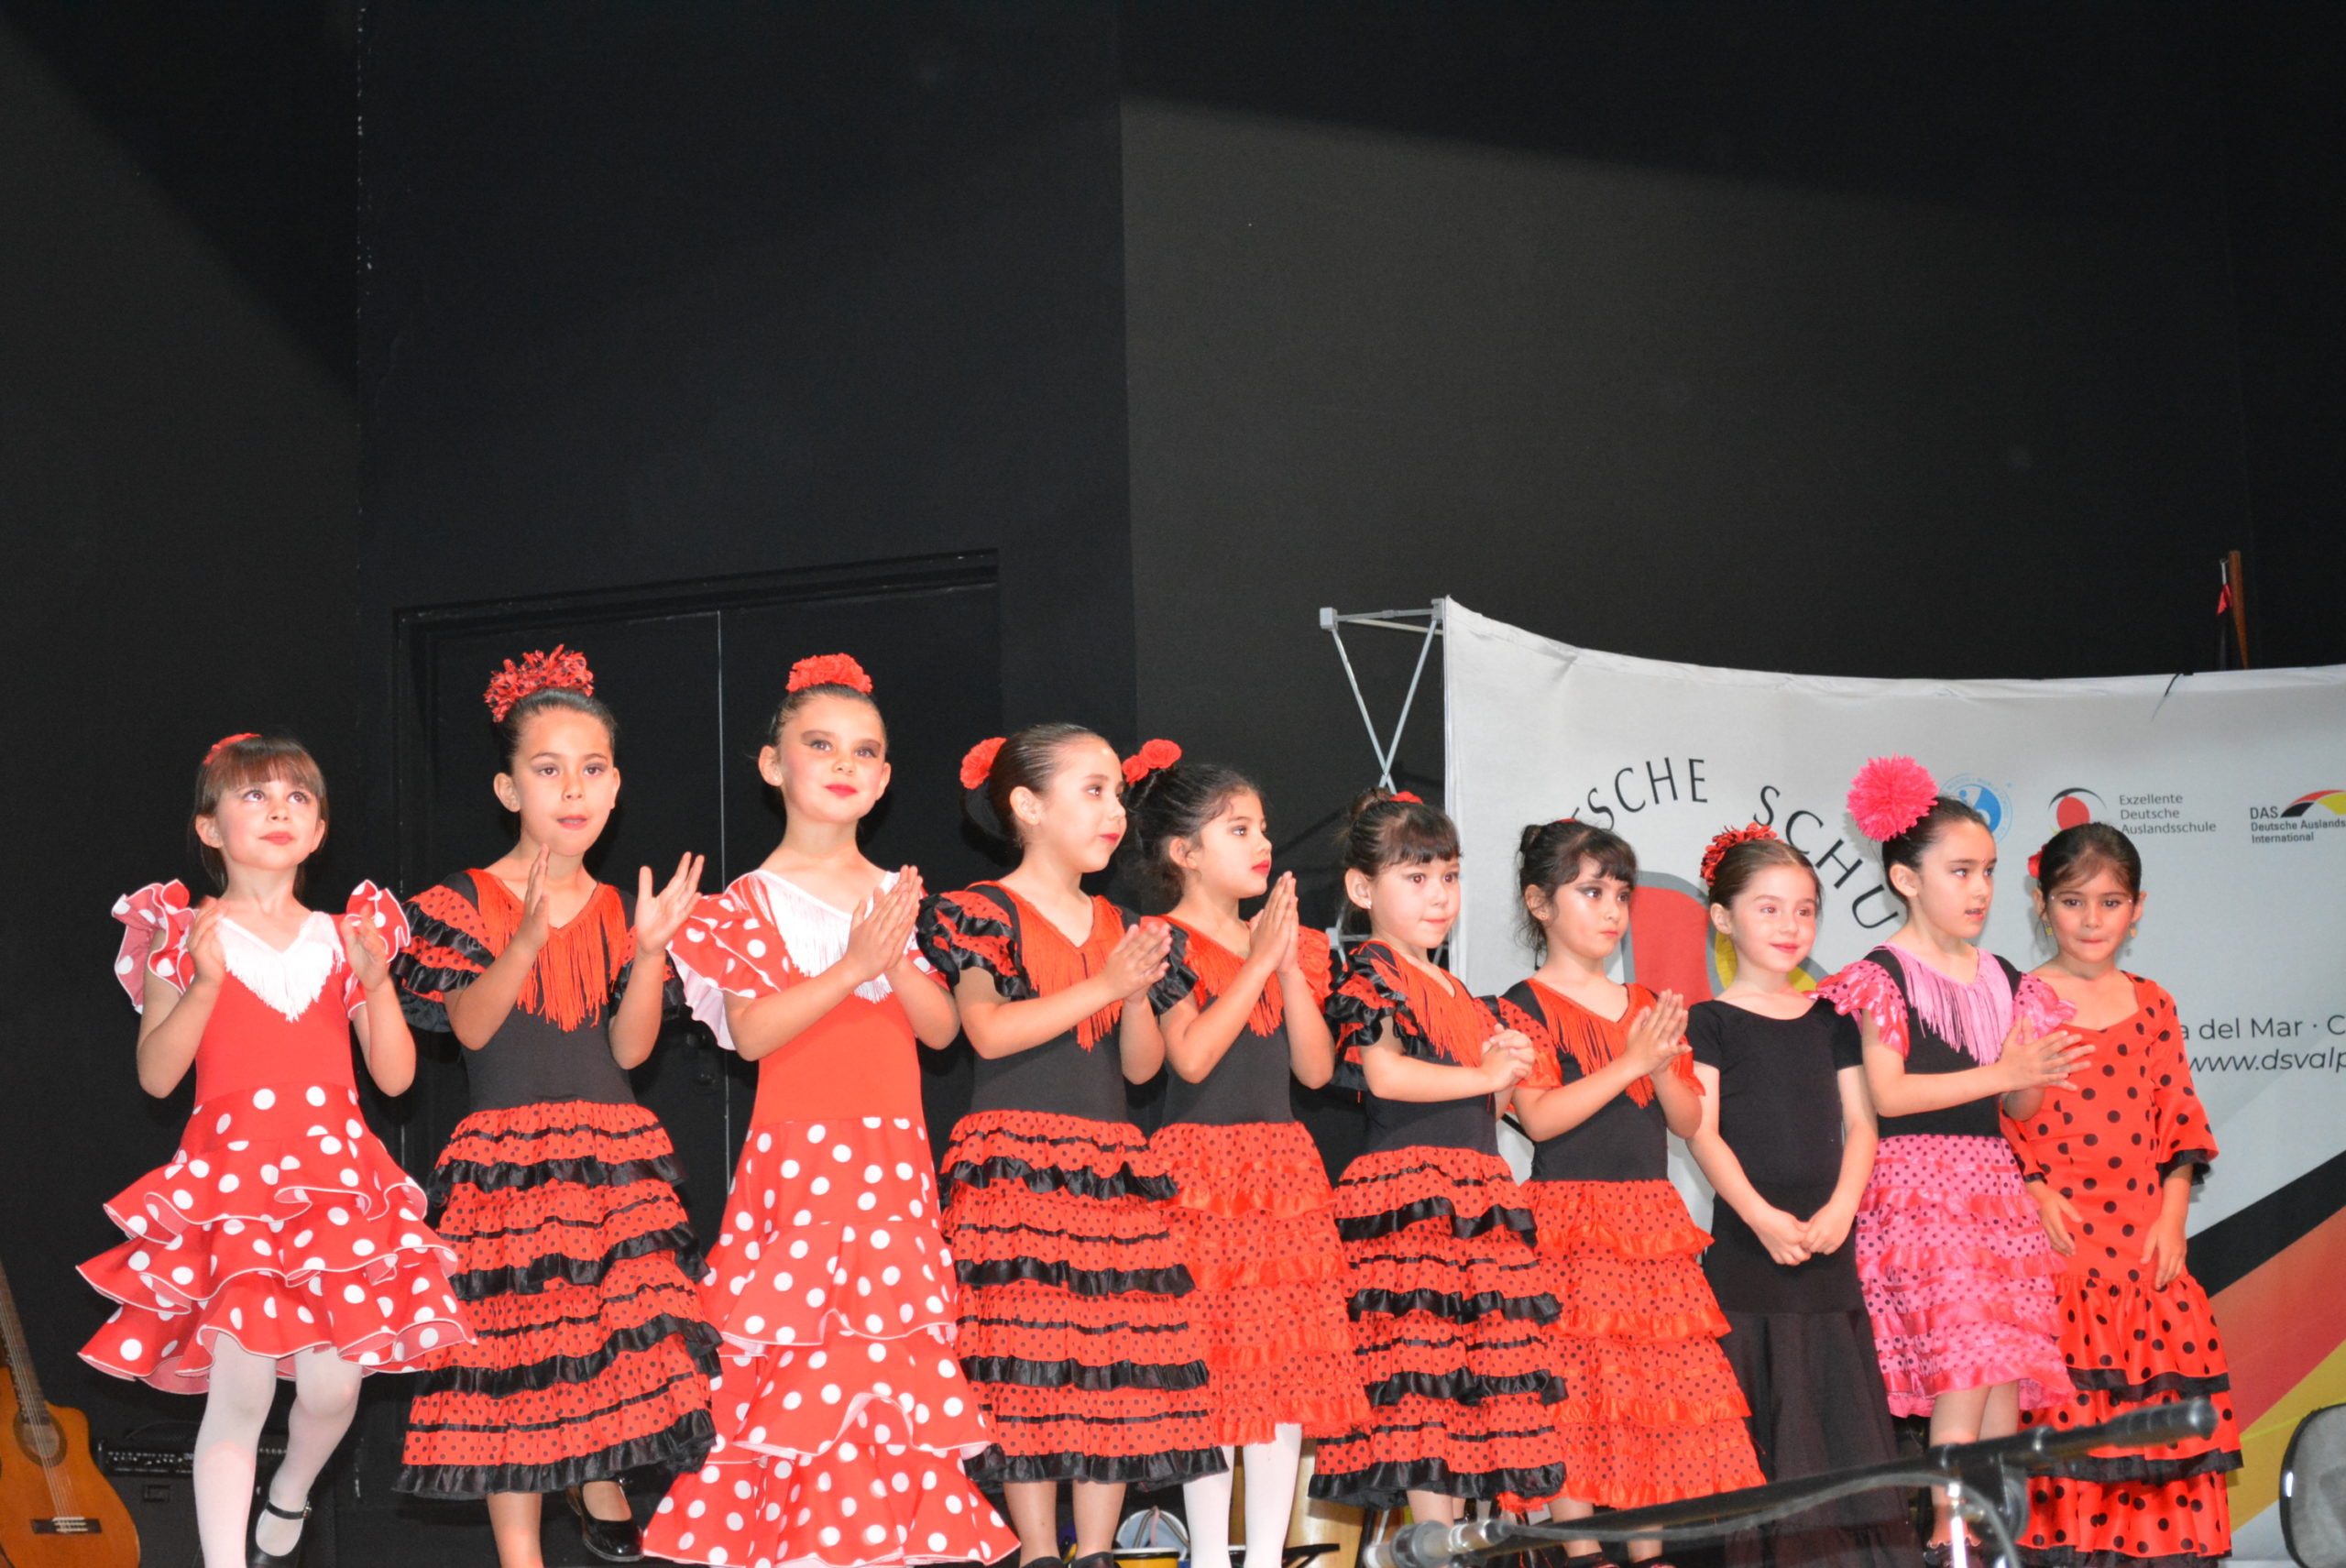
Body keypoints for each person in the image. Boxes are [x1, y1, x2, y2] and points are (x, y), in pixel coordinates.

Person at [641, 653, 1013, 1568]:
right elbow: (752, 1033)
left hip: (892, 1170)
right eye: (820, 744)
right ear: (774, 764)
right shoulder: (740, 904)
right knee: (801, 1365)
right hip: (799, 1171)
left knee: (884, 1368)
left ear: (883, 781)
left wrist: (889, 955)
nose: (844, 762)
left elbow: (939, 1031)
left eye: (865, 750)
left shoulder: (896, 896)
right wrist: (852, 966)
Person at [80, 732, 470, 1568]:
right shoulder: (182, 933)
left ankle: (290, 1491)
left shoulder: (347, 936)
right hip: (234, 1184)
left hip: (334, 1182)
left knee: (333, 1387)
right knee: (243, 1383)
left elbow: (397, 1077)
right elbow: (157, 1075)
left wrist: (375, 982)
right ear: (209, 827)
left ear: (319, 830)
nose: (278, 809)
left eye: (297, 796)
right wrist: (204, 980)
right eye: (254, 795)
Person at [394, 645, 718, 1568]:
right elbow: (466, 1025)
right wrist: (526, 937)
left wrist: (649, 953)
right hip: (507, 1161)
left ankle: (598, 1467)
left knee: (609, 1333)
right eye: (547, 769)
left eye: (592, 768)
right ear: (508, 789)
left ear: (614, 786)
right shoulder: (461, 901)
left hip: (611, 1154)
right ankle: (520, 1551)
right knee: (513, 1354)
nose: (572, 788)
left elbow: (631, 1050)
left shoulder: (621, 907)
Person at [917, 725, 1223, 1568]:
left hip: (1108, 1164)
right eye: (1092, 790)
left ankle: (1094, 1549)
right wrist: (1105, 982)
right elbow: (985, 1029)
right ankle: (1035, 1550)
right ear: (1027, 804)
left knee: (1108, 1359)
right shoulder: (983, 910)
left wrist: (1133, 992)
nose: (1113, 810)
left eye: (1117, 793)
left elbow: (1141, 1066)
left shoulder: (1122, 923)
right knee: (1028, 1355)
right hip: (1015, 1161)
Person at [1814, 756, 2088, 1564]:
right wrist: (2006, 1071)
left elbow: (2021, 1108)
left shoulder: (2006, 978)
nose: (1980, 889)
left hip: (1994, 1187)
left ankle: (1993, 1527)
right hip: (1919, 1189)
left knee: (1999, 1368)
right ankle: (1947, 1529)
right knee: (1963, 1365)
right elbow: (1890, 1094)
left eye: (1989, 871)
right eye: (1960, 870)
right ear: (1906, 877)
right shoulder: (1882, 976)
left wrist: (2032, 1069)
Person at [1124, 749, 1367, 1568]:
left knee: (1282, 1373)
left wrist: (1286, 963)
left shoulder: (1294, 945)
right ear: (1184, 851)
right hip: (1199, 1175)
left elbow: (1316, 1071)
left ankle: (1263, 1554)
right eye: (1238, 829)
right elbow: (1189, 1056)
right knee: (1212, 1373)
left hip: (1282, 1174)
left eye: (1262, 828)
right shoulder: (1160, 940)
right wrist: (1259, 960)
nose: (1263, 843)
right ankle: (1208, 1554)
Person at [1501, 819, 1761, 1567]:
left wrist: (1658, 1064)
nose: (1612, 909)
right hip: (1568, 1223)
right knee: (1574, 1389)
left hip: (1649, 1222)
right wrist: (1629, 1061)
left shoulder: (1644, 1000)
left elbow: (1687, 1119)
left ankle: (1651, 1550)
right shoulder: (1521, 1003)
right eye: (1591, 892)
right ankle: (1581, 1548)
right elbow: (1540, 1116)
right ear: (1540, 903)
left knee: (1654, 1389)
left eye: (1621, 894)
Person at [1306, 790, 1567, 1525]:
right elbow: (1385, 1074)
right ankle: (1432, 1535)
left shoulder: (1457, 988)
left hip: (1475, 1196)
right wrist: (1486, 1075)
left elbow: (1493, 1101)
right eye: (1416, 877)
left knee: (1464, 1376)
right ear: (1362, 889)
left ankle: (1449, 1534)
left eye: (1448, 876)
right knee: (1420, 1373)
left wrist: (1505, 1069)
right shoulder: (1374, 969)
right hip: (1411, 1196)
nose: (1438, 895)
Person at [1683, 825, 1920, 1568]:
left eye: (1805, 909)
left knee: (1837, 1419)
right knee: (1762, 1423)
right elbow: (1702, 1132)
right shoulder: (1709, 1021)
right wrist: (1759, 1216)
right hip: (1748, 1258)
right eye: (1769, 908)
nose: (1790, 925)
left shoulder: (1833, 1016)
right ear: (1722, 917)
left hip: (1827, 1254)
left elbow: (1862, 1123)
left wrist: (1844, 1206)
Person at [2008, 823, 2239, 1568]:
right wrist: (2036, 1190)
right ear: (2043, 905)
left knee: (2151, 1423)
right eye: (2072, 900)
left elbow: (2179, 1118)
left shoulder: (2152, 1002)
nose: (2091, 918)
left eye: (2110, 901)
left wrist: (2173, 1217)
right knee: (2068, 1420)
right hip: (2060, 1249)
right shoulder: (2020, 997)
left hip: (2142, 1245)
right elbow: (1999, 1117)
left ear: (2137, 909)